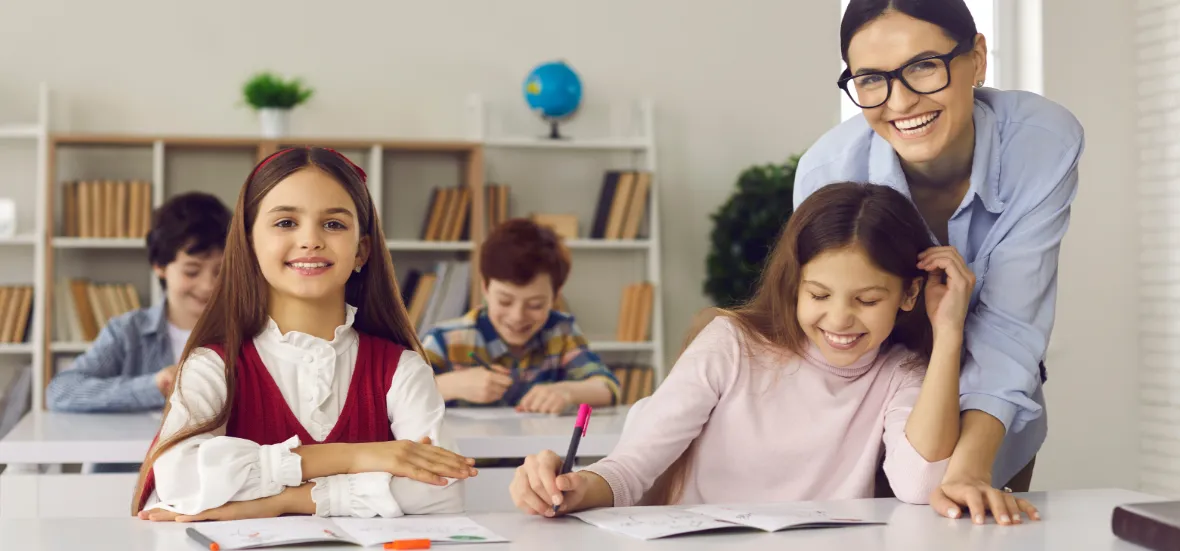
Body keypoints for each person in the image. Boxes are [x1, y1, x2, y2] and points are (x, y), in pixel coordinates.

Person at [510, 183, 1038, 523]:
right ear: (793, 284)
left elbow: (922, 484)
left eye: (867, 300)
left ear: (908, 294)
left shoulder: (901, 374)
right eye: (818, 295)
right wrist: (577, 487)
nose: (838, 320)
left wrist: (948, 334)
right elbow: (632, 467)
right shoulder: (731, 344)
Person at [794, 0, 1083, 522]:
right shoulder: (828, 171)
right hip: (870, 421)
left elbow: (1010, 328)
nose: (900, 101)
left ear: (977, 58)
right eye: (871, 79)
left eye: (924, 66)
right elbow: (834, 334)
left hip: (991, 420)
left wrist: (968, 469)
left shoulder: (1041, 143)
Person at [133, 147, 477, 521]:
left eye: (334, 224)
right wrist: (352, 456)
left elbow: (442, 490)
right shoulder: (212, 365)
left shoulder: (402, 368)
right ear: (249, 245)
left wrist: (282, 501)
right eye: (285, 223)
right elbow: (179, 480)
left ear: (361, 250)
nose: (310, 240)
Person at [46, 191, 230, 413]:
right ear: (159, 267)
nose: (208, 286)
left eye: (220, 272)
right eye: (191, 272)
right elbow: (61, 390)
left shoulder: (247, 330)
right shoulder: (128, 332)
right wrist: (154, 386)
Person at [421, 218, 619, 414]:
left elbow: (608, 388)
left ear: (556, 296)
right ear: (486, 287)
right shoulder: (445, 340)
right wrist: (452, 385)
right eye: (505, 302)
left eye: (535, 305)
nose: (517, 316)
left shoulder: (561, 332)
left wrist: (567, 392)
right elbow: (396, 397)